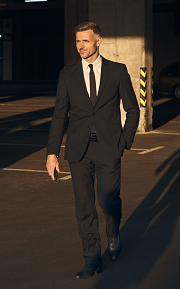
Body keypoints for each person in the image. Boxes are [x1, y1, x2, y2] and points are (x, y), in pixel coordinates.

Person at [46, 21, 139, 279]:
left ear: (98, 40)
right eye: (77, 41)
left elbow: (133, 110)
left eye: (85, 41)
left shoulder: (118, 72)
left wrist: (124, 141)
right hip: (78, 151)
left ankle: (113, 234)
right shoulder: (68, 75)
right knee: (84, 206)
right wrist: (51, 153)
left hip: (109, 148)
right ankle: (92, 259)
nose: (80, 46)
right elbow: (59, 116)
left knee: (109, 202)